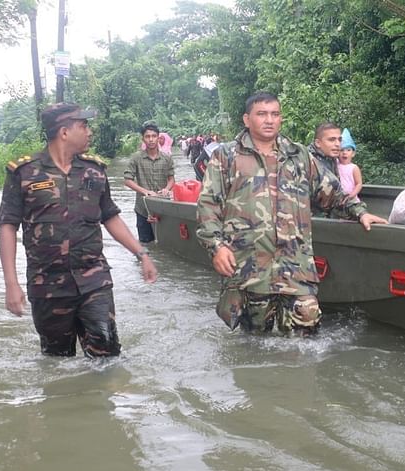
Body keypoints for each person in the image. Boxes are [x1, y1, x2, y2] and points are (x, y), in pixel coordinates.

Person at [196, 92, 387, 335]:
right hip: (249, 269)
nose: (269, 120)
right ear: (246, 119)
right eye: (262, 114)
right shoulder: (226, 156)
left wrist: (360, 213)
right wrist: (216, 246)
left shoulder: (298, 156)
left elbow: (332, 192)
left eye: (275, 114)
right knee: (254, 345)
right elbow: (209, 205)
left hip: (296, 268)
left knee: (305, 341)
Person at [0, 102, 158, 357]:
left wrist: (142, 254)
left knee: (106, 353)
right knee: (57, 362)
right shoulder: (24, 173)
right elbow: (7, 226)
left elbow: (111, 217)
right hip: (47, 284)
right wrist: (11, 284)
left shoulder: (95, 171)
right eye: (83, 125)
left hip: (94, 278)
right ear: (64, 132)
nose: (89, 131)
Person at [124, 121, 175, 243]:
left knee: (164, 244)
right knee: (146, 245)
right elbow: (127, 180)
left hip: (163, 208)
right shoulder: (136, 158)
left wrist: (167, 189)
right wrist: (145, 191)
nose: (151, 139)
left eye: (153, 136)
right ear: (143, 139)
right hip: (143, 209)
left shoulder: (167, 158)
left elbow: (171, 178)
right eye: (147, 136)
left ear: (158, 138)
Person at [338, 128, 363, 203]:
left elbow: (359, 183)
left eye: (348, 150)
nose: (345, 153)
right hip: (338, 198)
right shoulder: (335, 164)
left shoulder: (354, 168)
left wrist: (352, 195)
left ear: (353, 153)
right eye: (342, 150)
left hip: (351, 199)